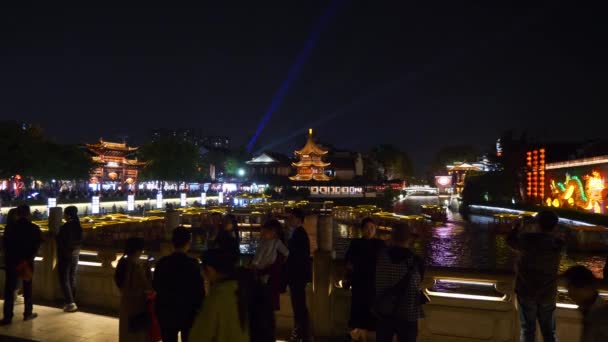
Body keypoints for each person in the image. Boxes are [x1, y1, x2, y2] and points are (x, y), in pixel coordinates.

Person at [507, 210, 563, 342]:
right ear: (554, 226)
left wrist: (518, 227)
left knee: (527, 330)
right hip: (548, 292)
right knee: (549, 332)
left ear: (537, 224)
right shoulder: (558, 244)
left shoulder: (527, 240)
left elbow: (510, 240)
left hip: (526, 290)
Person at [374, 223, 424, 342]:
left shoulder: (381, 257)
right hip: (408, 312)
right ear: (409, 239)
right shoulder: (416, 261)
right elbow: (419, 281)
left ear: (392, 237)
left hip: (384, 310)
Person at [153, 227, 205, 342]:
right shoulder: (192, 265)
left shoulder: (162, 263)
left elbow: (156, 286)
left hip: (166, 311)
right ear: (188, 243)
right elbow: (199, 291)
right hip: (187, 312)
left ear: (172, 243)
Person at [189, 249, 250, 342]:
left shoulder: (216, 298)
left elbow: (199, 336)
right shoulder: (241, 290)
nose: (202, 274)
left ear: (210, 270)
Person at [344, 217, 385, 342]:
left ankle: (361, 337)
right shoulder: (355, 243)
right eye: (367, 228)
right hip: (359, 284)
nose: (369, 230)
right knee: (359, 313)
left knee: (371, 315)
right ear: (362, 229)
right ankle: (359, 336)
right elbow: (348, 261)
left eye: (372, 228)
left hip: (373, 286)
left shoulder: (380, 244)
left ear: (375, 230)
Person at [1, 205, 42, 325]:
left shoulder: (10, 227)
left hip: (12, 261)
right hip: (27, 262)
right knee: (27, 287)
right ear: (28, 213)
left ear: (18, 214)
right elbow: (36, 246)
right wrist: (28, 259)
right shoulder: (34, 228)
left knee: (9, 289)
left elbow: (5, 245)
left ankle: (7, 317)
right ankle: (27, 313)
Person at [115, 237, 153, 342]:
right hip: (137, 307)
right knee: (138, 336)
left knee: (125, 334)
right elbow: (148, 287)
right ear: (137, 250)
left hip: (125, 305)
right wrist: (148, 273)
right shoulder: (136, 267)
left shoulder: (122, 263)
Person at [285, 208, 312, 342]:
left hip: (297, 275)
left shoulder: (299, 234)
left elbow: (296, 255)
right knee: (299, 305)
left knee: (298, 305)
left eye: (292, 217)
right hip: (299, 275)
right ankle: (302, 333)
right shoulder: (299, 233)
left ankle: (301, 333)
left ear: (298, 219)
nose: (289, 220)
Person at [563, 265, 608, 341]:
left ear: (585, 287)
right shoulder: (590, 312)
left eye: (569, 287)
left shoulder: (601, 317)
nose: (569, 293)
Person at [252, 219, 289, 310]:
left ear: (274, 232)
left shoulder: (275, 242)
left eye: (265, 231)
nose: (263, 233)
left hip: (266, 270)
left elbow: (286, 253)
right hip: (262, 268)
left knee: (264, 292)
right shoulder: (264, 242)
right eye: (262, 231)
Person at [56, 205, 83, 312]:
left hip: (65, 255)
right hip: (75, 255)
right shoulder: (78, 226)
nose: (63, 215)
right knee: (72, 278)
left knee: (64, 279)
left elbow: (60, 240)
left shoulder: (66, 227)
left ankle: (70, 302)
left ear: (68, 215)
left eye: (65, 214)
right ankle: (72, 300)